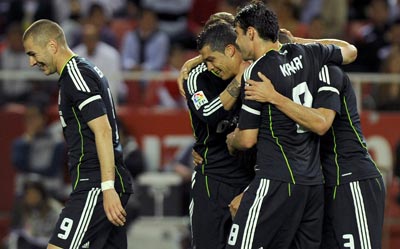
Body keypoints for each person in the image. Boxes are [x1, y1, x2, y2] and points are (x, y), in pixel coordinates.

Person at [224, 2, 357, 248]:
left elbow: (247, 139)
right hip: (312, 186)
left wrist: (231, 139)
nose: (238, 43)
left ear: (251, 33)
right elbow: (349, 51)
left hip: (276, 180)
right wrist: (301, 42)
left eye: (238, 35)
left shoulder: (258, 72)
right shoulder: (310, 54)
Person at [245, 63, 385, 248]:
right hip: (322, 185)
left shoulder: (327, 71)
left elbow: (321, 123)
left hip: (350, 179)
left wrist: (274, 97)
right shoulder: (291, 86)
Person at [22, 19, 132, 249]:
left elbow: (103, 129)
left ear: (52, 46)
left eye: (33, 54)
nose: (32, 62)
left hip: (95, 185)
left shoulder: (75, 75)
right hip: (98, 183)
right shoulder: (76, 73)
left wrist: (107, 187)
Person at [183, 13, 255, 249]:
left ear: (231, 50)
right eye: (204, 60)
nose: (208, 66)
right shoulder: (196, 76)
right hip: (211, 180)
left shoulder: (259, 70)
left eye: (211, 59)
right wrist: (239, 80)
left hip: (249, 180)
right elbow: (210, 114)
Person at [11, 101, 66, 199]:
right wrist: (27, 142)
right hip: (26, 190)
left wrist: (34, 176)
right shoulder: (21, 142)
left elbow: (53, 169)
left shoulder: (56, 141)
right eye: (27, 118)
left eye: (34, 117)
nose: (30, 121)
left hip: (50, 188)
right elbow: (19, 165)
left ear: (43, 118)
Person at [4, 181, 63, 249]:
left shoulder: (55, 208)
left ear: (42, 195)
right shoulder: (26, 208)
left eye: (34, 194)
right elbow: (25, 232)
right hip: (35, 243)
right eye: (28, 194)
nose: (31, 197)